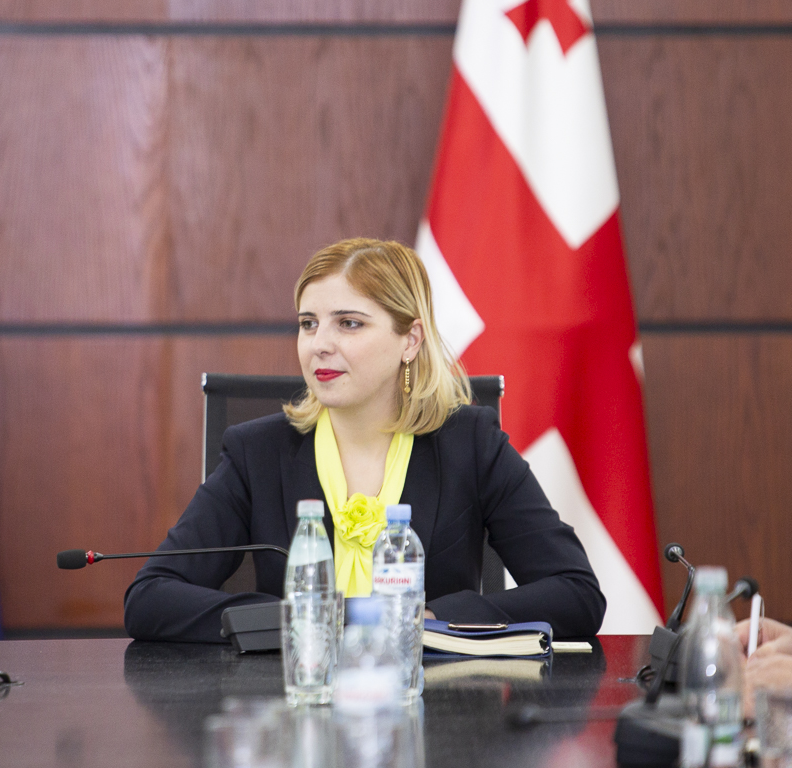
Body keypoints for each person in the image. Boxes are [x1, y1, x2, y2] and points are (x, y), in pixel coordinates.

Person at [124, 238, 605, 643]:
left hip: (437, 709)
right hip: (298, 704)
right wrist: (299, 619)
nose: (319, 344)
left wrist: (431, 619)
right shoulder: (257, 453)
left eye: (348, 323)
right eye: (308, 323)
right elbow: (150, 597)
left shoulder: (471, 445)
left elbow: (576, 594)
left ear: (410, 340)